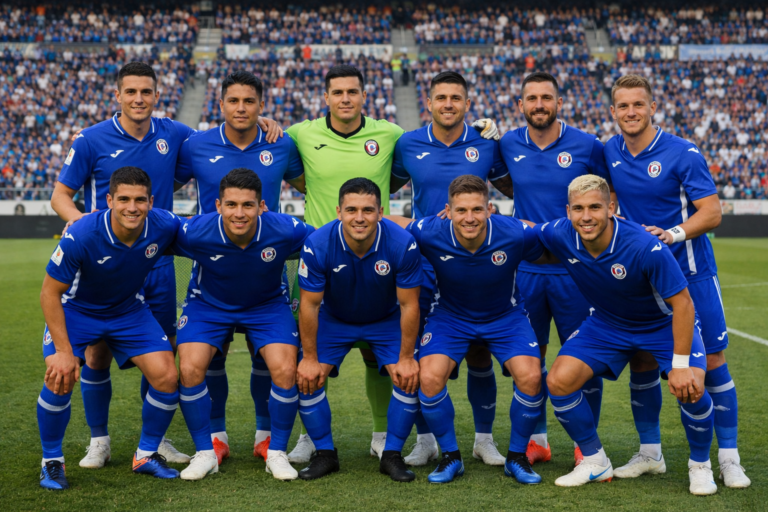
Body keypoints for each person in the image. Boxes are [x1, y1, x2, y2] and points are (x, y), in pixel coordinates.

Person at [284, 64, 499, 463]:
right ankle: (308, 436)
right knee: (309, 350)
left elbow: (425, 161)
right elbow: (289, 167)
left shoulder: (391, 136)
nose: (345, 98)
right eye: (337, 92)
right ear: (325, 97)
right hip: (322, 257)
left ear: (365, 96)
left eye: (353, 91)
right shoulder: (300, 134)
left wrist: (485, 130)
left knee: (383, 352)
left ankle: (385, 434)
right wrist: (266, 123)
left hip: (385, 258)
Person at [603, 74, 750, 488]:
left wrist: (671, 234)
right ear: (613, 111)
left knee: (713, 362)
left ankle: (729, 459)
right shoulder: (609, 150)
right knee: (642, 360)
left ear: (653, 107)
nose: (631, 112)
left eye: (638, 104)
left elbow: (712, 212)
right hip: (643, 280)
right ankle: (650, 454)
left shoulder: (682, 152)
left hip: (691, 275)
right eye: (623, 106)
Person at [50, 61, 196, 467]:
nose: (138, 99)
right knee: (97, 355)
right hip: (106, 265)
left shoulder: (174, 133)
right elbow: (60, 195)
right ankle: (99, 440)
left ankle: (156, 442)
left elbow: (220, 140)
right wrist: (81, 225)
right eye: (130, 91)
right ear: (117, 95)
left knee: (163, 353)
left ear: (157, 95)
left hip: (156, 263)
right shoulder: (91, 139)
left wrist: (266, 124)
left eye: (146, 91)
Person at [535, 174, 716, 495]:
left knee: (691, 387)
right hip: (608, 324)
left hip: (661, 324)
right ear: (568, 211)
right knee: (559, 381)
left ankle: (700, 465)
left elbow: (684, 304)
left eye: (594, 207)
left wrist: (680, 365)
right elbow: (524, 230)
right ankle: (595, 460)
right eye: (578, 208)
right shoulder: (560, 233)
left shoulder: (645, 246)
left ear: (611, 208)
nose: (586, 216)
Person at [174, 70, 305, 462]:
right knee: (210, 355)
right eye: (233, 100)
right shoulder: (196, 144)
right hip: (213, 267)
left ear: (262, 105)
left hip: (267, 265)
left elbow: (309, 184)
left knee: (267, 355)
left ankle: (266, 436)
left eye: (250, 101)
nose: (241, 108)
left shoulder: (281, 143)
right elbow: (162, 184)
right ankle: (216, 437)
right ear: (220, 104)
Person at [388, 175, 546, 485]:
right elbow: (391, 222)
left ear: (490, 209)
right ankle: (451, 456)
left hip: (505, 317)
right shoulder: (430, 231)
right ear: (447, 211)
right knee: (429, 377)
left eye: (477, 209)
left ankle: (516, 457)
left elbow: (554, 234)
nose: (469, 218)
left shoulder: (514, 233)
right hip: (450, 318)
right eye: (461, 210)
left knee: (531, 376)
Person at [390, 71, 512, 467]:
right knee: (420, 356)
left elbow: (513, 187)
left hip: (476, 264)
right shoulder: (407, 143)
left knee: (479, 352)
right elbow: (382, 187)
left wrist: (503, 138)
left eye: (455, 98)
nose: (448, 104)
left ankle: (484, 440)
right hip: (424, 264)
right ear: (428, 103)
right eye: (440, 97)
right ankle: (425, 441)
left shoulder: (486, 142)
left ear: (467, 104)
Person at [38, 167, 183, 490]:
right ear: (109, 200)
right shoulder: (82, 234)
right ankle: (51, 461)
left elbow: (202, 230)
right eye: (124, 199)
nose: (132, 207)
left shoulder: (164, 225)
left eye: (140, 200)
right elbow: (49, 293)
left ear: (151, 202)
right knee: (60, 376)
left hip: (128, 310)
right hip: (77, 311)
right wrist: (63, 351)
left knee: (166, 376)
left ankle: (146, 454)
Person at [498, 71, 611, 466]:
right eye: (532, 98)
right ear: (520, 105)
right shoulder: (508, 143)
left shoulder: (587, 144)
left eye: (546, 97)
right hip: (527, 270)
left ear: (559, 102)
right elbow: (506, 185)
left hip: (577, 272)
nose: (539, 105)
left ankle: (585, 445)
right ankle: (538, 440)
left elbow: (608, 195)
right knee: (531, 361)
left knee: (585, 360)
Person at [171, 169, 313, 481]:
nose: (239, 213)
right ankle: (206, 452)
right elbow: (150, 230)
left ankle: (276, 452)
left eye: (248, 205)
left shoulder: (284, 228)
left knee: (286, 369)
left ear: (262, 206)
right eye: (231, 205)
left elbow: (326, 240)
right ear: (218, 205)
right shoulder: (194, 230)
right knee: (190, 368)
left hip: (266, 306)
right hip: (208, 305)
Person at [295, 178, 422, 482]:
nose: (359, 217)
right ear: (339, 212)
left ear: (381, 212)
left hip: (385, 319)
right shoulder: (317, 243)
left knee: (408, 376)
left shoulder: (402, 243)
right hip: (334, 319)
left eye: (368, 210)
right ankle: (325, 454)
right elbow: (309, 305)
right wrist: (309, 358)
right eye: (351, 210)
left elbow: (409, 305)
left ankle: (391, 455)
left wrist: (406, 357)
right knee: (307, 376)